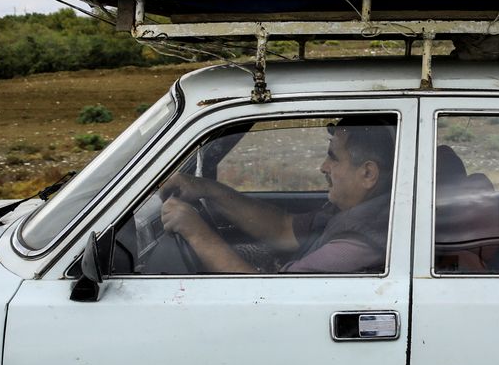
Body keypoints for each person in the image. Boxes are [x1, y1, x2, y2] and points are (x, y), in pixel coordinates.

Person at [159, 116, 396, 273]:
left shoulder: (361, 243)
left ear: (367, 174)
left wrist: (196, 233)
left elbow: (264, 296)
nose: (323, 167)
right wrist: (208, 189)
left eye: (333, 157)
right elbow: (283, 228)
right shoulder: (357, 210)